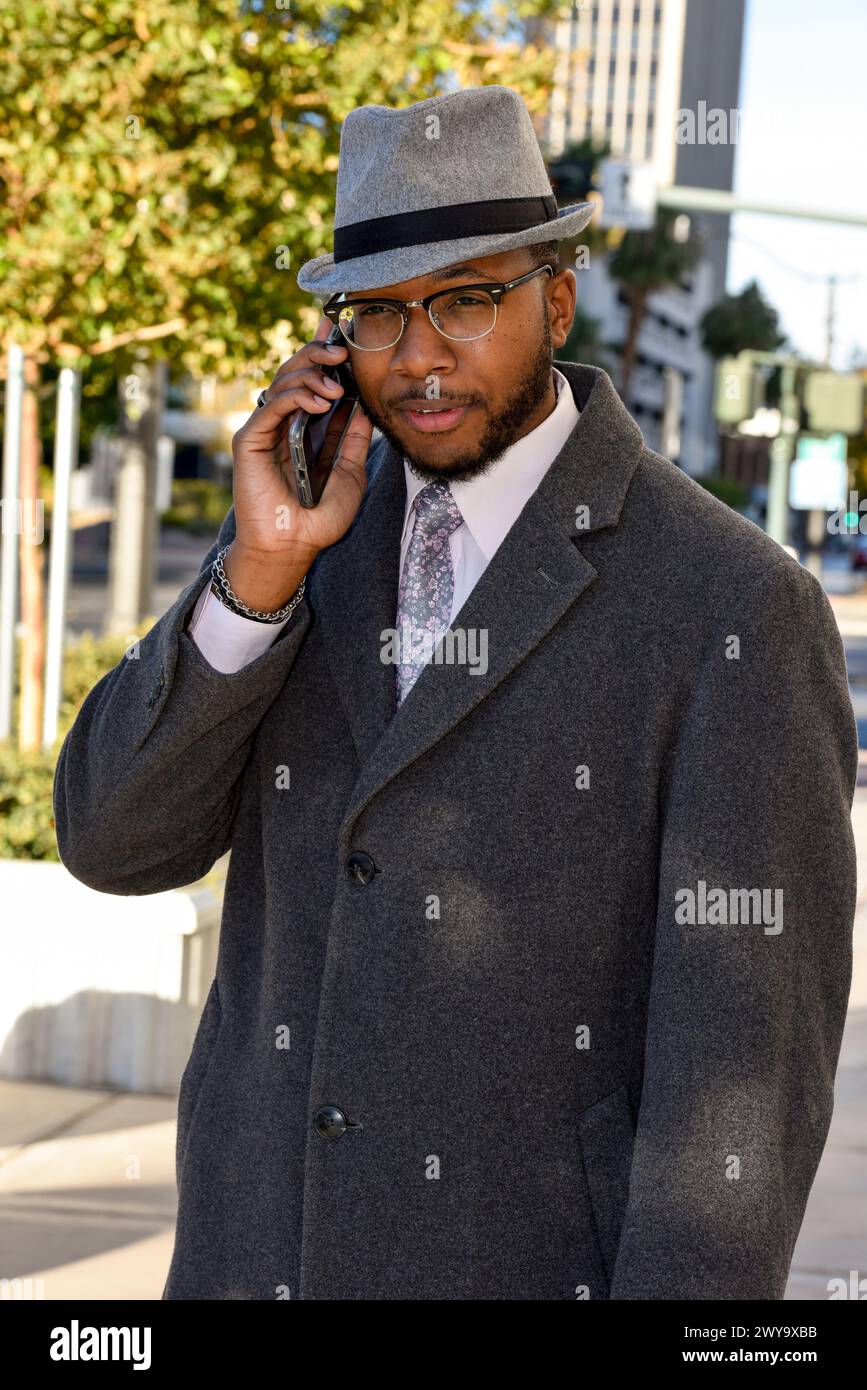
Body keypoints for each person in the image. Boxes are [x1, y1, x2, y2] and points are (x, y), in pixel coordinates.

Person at [54, 85, 858, 1301]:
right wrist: (256, 578)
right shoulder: (301, 538)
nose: (419, 355)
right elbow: (111, 841)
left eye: (467, 299)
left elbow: (737, 1097)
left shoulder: (735, 608)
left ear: (556, 294)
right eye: (378, 314)